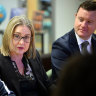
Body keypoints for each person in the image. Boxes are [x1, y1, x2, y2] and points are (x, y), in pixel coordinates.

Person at [0, 15, 52, 96]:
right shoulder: (1, 61)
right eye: (17, 36)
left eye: (26, 37)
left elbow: (47, 84)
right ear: (8, 36)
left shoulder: (33, 55)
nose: (22, 42)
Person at [51, 0, 96, 83]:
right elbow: (68, 81)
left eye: (89, 22)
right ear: (75, 17)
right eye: (81, 19)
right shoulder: (60, 46)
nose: (83, 25)